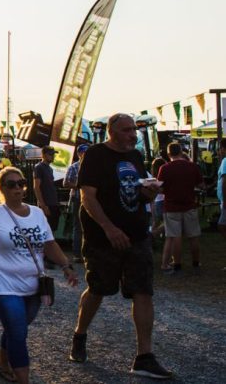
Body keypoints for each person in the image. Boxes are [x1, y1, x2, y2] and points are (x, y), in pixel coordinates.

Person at [70, 113, 172, 379]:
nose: (133, 135)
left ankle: (144, 357)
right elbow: (87, 197)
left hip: (136, 234)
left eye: (134, 130)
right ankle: (80, 334)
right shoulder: (95, 155)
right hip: (103, 237)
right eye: (127, 130)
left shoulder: (136, 157)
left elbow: (134, 190)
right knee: (98, 289)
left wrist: (147, 194)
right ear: (112, 132)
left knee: (143, 291)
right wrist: (109, 228)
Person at [0, 167, 79, 384]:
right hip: (2, 284)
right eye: (11, 184)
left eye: (21, 183)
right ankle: (23, 378)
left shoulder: (37, 214)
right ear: (1, 189)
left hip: (33, 286)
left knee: (17, 327)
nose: (17, 188)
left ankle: (3, 363)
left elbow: (49, 244)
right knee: (17, 329)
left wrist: (66, 265)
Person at [157, 142, 203, 275]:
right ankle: (196, 262)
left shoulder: (164, 168)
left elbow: (161, 188)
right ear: (181, 151)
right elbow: (201, 185)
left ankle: (177, 264)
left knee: (175, 236)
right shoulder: (192, 166)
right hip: (189, 205)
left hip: (171, 206)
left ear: (169, 153)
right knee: (193, 236)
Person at [63, 144, 89, 262]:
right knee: (78, 226)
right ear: (79, 153)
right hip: (78, 199)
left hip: (90, 199)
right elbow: (65, 183)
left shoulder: (93, 167)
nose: (86, 154)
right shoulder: (73, 167)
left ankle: (88, 253)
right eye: (84, 152)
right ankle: (77, 254)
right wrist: (79, 186)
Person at [34, 146, 61, 235]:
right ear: (44, 155)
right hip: (47, 204)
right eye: (51, 154)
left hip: (53, 203)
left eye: (54, 154)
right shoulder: (39, 167)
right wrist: (43, 205)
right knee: (46, 231)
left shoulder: (50, 169)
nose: (53, 156)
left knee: (52, 231)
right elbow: (36, 187)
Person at [217, 143, 226, 242]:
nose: (219, 151)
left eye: (220, 149)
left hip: (225, 198)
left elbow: (224, 181)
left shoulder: (225, 161)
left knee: (221, 225)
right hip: (223, 198)